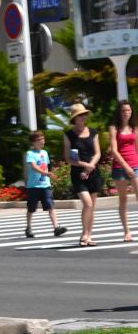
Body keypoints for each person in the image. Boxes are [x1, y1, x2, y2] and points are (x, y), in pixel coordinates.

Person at [64, 103, 101, 246]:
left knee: (92, 206)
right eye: (80, 115)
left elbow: (98, 153)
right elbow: (68, 158)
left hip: (93, 172)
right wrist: (85, 166)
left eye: (84, 114)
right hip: (78, 173)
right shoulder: (68, 135)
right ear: (74, 118)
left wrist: (91, 166)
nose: (83, 117)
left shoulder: (93, 132)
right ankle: (84, 233)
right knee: (87, 203)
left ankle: (88, 235)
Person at [24, 131, 66, 239]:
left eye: (43, 139)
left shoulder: (45, 153)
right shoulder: (30, 154)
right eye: (39, 139)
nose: (42, 141)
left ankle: (56, 227)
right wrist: (46, 173)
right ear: (33, 142)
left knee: (50, 206)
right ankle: (28, 228)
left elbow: (46, 166)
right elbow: (33, 167)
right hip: (33, 186)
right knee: (31, 209)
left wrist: (49, 178)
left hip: (45, 185)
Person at [109, 99, 138, 243]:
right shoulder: (114, 128)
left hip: (135, 165)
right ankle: (127, 231)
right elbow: (114, 150)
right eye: (124, 110)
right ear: (119, 113)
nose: (126, 113)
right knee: (123, 200)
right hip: (120, 167)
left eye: (128, 110)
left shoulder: (134, 127)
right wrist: (126, 167)